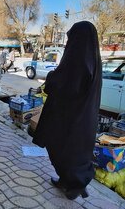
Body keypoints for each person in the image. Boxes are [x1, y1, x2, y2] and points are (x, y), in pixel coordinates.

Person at [32, 21, 102, 200]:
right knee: (74, 151)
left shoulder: (78, 60)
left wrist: (51, 76)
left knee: (62, 148)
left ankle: (74, 185)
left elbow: (64, 85)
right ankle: (71, 181)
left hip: (69, 119)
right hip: (82, 119)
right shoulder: (91, 59)